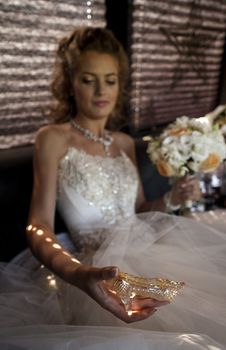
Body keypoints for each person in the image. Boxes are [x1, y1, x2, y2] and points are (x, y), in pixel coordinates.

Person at [0, 27, 225, 350]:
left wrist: (170, 198)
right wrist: (77, 274)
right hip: (98, 266)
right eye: (88, 79)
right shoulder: (52, 138)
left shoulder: (123, 143)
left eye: (110, 79)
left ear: (120, 83)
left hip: (155, 246)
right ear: (70, 83)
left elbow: (141, 210)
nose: (100, 90)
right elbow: (39, 225)